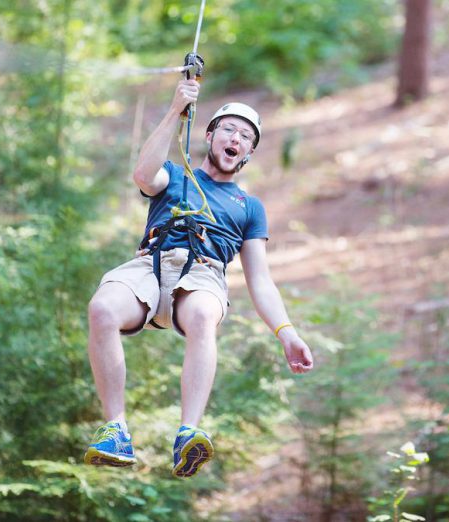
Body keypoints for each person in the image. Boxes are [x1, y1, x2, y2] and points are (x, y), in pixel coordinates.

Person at [83, 78, 314, 478]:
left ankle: (188, 431)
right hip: (150, 265)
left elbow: (260, 280)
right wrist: (175, 109)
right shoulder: (173, 175)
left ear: (248, 154)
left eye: (245, 137)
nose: (236, 138)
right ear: (210, 135)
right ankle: (115, 430)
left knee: (205, 315)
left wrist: (286, 331)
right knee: (102, 309)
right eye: (229, 129)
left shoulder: (249, 207)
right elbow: (142, 174)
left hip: (203, 276)